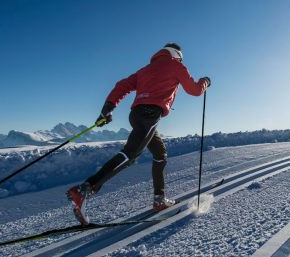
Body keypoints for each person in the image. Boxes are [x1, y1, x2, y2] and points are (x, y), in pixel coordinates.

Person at [66, 43, 211, 225]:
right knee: (130, 155)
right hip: (150, 115)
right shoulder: (176, 65)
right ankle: (85, 189)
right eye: (181, 58)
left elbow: (122, 86)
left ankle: (159, 199)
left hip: (136, 115)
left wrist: (107, 109)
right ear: (177, 55)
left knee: (160, 154)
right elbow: (195, 90)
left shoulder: (145, 69)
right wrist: (205, 81)